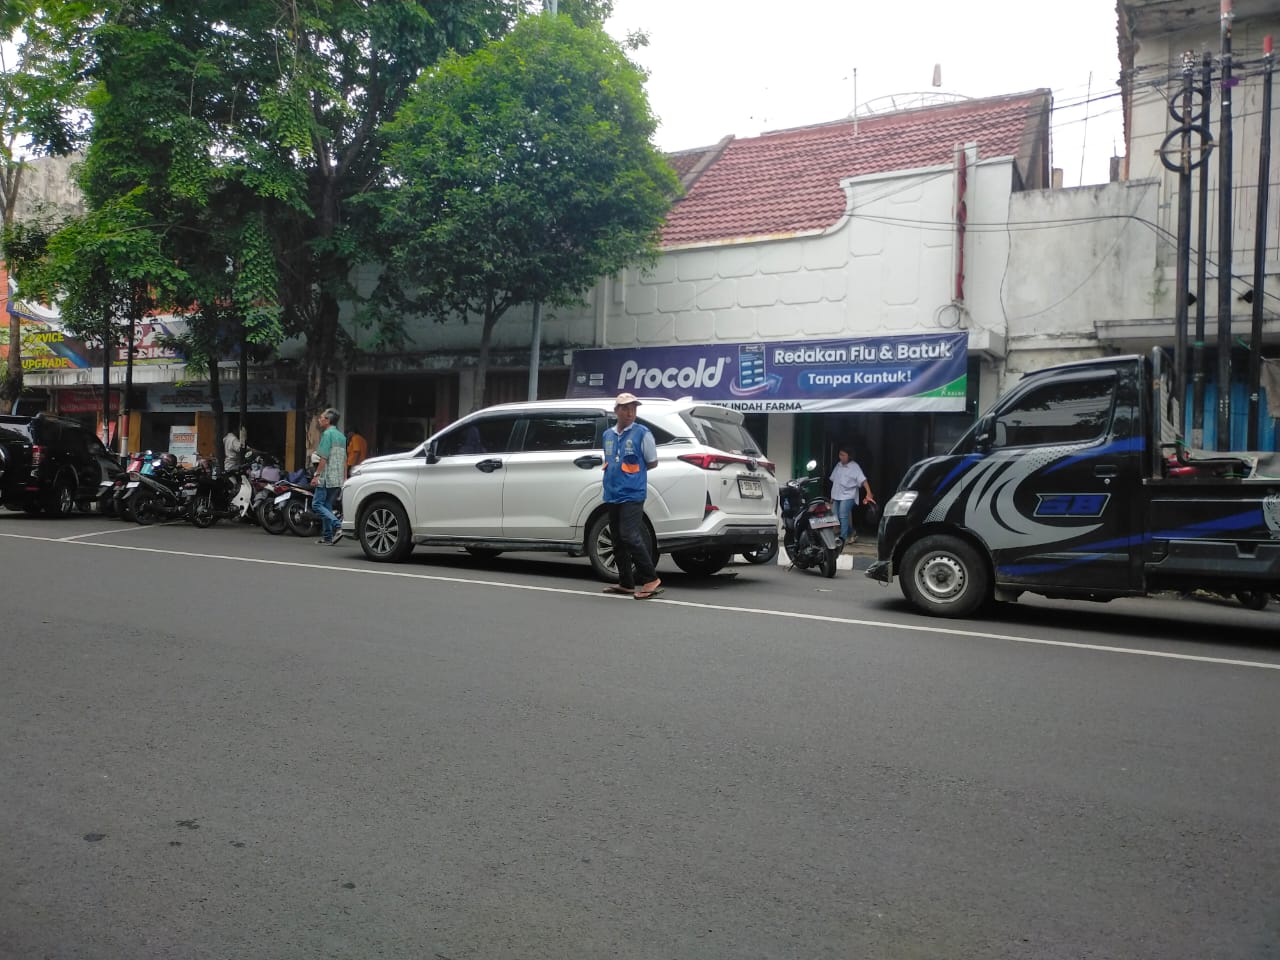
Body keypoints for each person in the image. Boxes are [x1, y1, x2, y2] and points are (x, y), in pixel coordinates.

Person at [601, 392, 663, 599]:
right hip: (612, 492)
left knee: (630, 535)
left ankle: (650, 578)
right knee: (617, 539)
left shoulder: (642, 433)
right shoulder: (607, 435)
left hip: (633, 493)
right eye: (625, 408)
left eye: (633, 408)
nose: (630, 412)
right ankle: (626, 582)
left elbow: (652, 462)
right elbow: (609, 459)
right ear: (616, 410)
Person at [311, 408, 347, 545]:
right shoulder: (341, 436)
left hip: (326, 476)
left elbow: (323, 458)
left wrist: (316, 475)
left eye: (321, 417)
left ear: (328, 420)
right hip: (337, 478)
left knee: (317, 504)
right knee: (327, 505)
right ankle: (327, 536)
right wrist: (344, 478)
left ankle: (338, 525)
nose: (319, 420)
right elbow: (344, 459)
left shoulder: (327, 435)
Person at [829, 445, 874, 546]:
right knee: (835, 517)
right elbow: (834, 481)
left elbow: (863, 480)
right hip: (837, 495)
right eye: (840, 454)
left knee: (843, 515)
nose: (840, 457)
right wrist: (832, 497)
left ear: (849, 456)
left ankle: (842, 538)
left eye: (843, 455)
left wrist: (869, 493)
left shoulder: (855, 467)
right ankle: (852, 532)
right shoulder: (838, 465)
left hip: (848, 495)